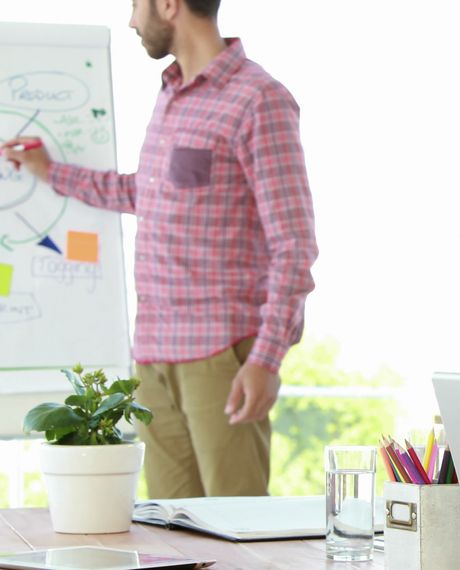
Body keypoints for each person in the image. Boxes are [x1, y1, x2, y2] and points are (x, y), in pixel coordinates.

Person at [3, 0, 317, 499]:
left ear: (168, 5)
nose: (131, 21)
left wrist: (266, 359)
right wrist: (52, 174)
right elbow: (145, 194)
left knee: (236, 530)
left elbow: (294, 243)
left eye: (134, 5)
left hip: (219, 356)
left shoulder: (259, 99)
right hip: (152, 356)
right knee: (172, 535)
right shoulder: (171, 95)